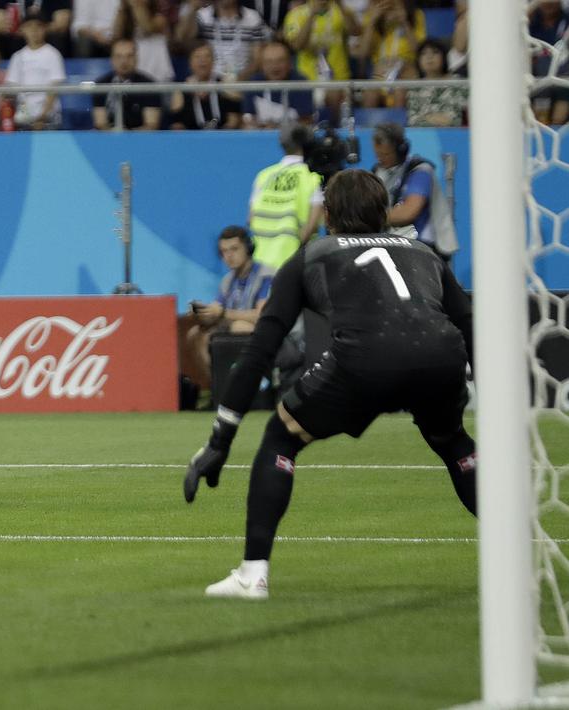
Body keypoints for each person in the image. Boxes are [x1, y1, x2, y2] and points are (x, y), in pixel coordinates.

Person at [182, 169, 477, 599]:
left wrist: (219, 440)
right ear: (384, 214)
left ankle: (252, 575)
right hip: (439, 357)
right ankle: (521, 556)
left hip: (364, 362)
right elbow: (468, 322)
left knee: (281, 437)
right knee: (454, 444)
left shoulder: (313, 254)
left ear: (329, 217)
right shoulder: (423, 252)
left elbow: (261, 348)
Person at [184, 226, 273, 390]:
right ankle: (217, 388)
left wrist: (224, 313)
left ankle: (254, 388)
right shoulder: (228, 280)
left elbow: (262, 316)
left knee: (239, 326)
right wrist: (203, 314)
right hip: (232, 329)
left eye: (234, 249)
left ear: (248, 248)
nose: (229, 256)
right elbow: (217, 310)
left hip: (266, 332)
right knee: (195, 334)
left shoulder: (265, 275)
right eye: (224, 251)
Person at [371, 121, 457, 262]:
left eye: (386, 154)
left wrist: (370, 218)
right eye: (378, 154)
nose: (381, 159)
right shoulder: (378, 171)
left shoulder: (421, 171)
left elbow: (408, 212)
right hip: (395, 244)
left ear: (401, 149)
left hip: (426, 246)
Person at [247, 123, 323, 270]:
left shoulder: (264, 175)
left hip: (260, 261)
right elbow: (313, 224)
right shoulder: (311, 176)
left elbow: (250, 219)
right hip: (291, 260)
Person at [5, 12, 65, 131]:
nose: (34, 30)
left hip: (48, 118)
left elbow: (54, 89)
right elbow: (12, 90)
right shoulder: (17, 57)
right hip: (23, 118)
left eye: (38, 26)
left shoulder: (53, 54)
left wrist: (42, 117)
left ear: (45, 29)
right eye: (29, 26)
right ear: (22, 30)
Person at [168, 41, 242, 130]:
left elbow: (233, 120)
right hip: (191, 139)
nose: (203, 60)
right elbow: (176, 124)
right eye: (197, 56)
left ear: (214, 61)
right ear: (190, 62)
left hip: (223, 137)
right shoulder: (181, 90)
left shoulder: (225, 84)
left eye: (207, 56)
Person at [92, 37, 160, 131]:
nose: (124, 61)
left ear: (136, 59)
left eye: (129, 56)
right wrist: (115, 135)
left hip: (140, 140)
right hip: (109, 138)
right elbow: (100, 123)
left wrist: (128, 136)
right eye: (118, 56)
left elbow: (151, 125)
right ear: (111, 59)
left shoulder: (149, 85)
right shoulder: (101, 84)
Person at [241, 41, 314, 129]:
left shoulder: (300, 84)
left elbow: (307, 121)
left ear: (289, 63)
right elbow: (248, 118)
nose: (275, 66)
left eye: (280, 61)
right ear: (262, 65)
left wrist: (278, 127)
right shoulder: (254, 83)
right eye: (269, 62)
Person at [403, 38, 467, 128]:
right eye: (423, 54)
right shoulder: (415, 87)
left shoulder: (458, 82)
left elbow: (465, 116)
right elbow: (413, 121)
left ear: (444, 57)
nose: (429, 57)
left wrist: (431, 118)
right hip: (425, 137)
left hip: (456, 134)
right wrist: (436, 120)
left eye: (435, 52)